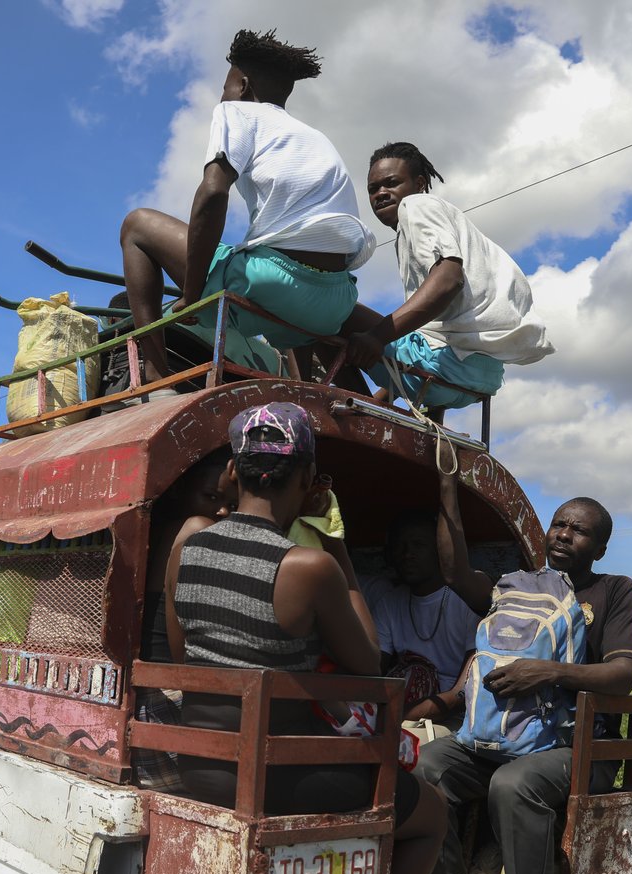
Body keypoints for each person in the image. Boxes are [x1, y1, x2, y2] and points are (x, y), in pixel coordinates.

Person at [165, 402, 445, 874]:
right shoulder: (308, 566)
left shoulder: (188, 542)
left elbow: (185, 661)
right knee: (431, 816)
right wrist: (337, 547)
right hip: (282, 774)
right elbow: (369, 664)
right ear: (310, 478)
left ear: (232, 471)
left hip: (199, 766)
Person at [415, 470, 632, 874]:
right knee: (427, 767)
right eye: (559, 524)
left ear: (600, 548)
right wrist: (447, 485)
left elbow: (623, 676)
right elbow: (453, 572)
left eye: (580, 530)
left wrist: (547, 672)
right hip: (501, 742)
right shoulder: (516, 586)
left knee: (514, 785)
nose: (564, 534)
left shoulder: (615, 591)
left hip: (579, 748)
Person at [119, 30, 376, 385]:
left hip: (276, 284)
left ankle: (154, 377)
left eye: (224, 87)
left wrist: (191, 295)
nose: (222, 95)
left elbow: (212, 194)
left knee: (136, 224)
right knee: (273, 284)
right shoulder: (314, 136)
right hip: (335, 301)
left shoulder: (236, 111)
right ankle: (318, 392)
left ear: (242, 85)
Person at [347, 143, 553, 410]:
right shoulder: (458, 230)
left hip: (447, 366)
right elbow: (439, 333)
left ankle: (345, 412)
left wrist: (375, 337)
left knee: (329, 307)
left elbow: (448, 281)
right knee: (406, 331)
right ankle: (373, 409)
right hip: (479, 379)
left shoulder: (417, 205)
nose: (381, 194)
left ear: (419, 183)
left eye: (392, 183)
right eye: (373, 189)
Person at [132, 451, 237, 790]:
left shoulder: (162, 530)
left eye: (231, 505)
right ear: (180, 492)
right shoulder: (197, 530)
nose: (222, 511)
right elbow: (182, 651)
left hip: (153, 702)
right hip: (166, 703)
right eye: (211, 497)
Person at [367, 510, 480, 726]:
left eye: (418, 545)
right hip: (398, 706)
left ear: (438, 551)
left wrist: (386, 718)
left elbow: (459, 696)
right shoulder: (390, 602)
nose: (407, 554)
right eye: (401, 546)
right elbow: (372, 669)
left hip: (453, 716)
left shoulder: (467, 602)